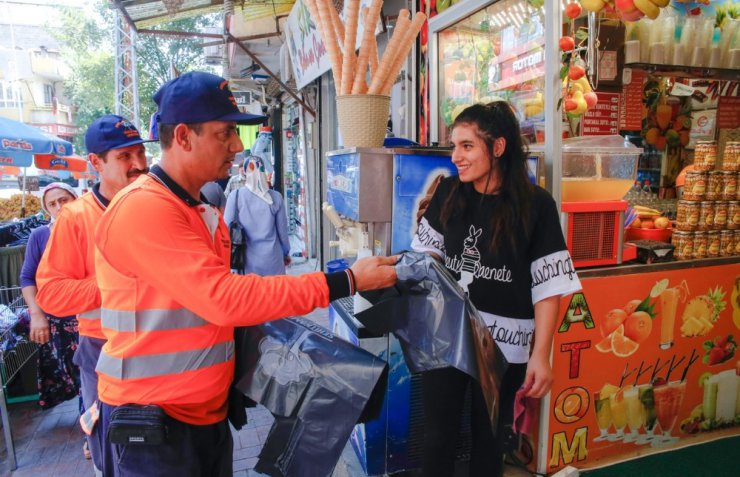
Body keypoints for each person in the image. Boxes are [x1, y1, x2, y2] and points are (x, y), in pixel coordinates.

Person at [92, 71, 397, 476]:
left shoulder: (197, 208)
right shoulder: (144, 208)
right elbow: (225, 299)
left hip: (201, 415)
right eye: (225, 134)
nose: (237, 147)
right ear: (183, 137)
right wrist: (347, 281)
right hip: (157, 423)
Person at [410, 102, 581, 476]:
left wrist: (541, 354)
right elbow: (426, 261)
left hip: (506, 345)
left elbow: (549, 286)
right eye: (454, 146)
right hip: (447, 337)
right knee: (438, 436)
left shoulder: (536, 206)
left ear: (498, 147)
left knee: (490, 441)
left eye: (467, 146)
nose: (456, 156)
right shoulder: (449, 193)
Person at [35, 114, 153, 472]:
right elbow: (52, 294)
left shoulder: (157, 203)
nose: (137, 165)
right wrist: (117, 284)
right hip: (103, 352)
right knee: (113, 449)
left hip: (159, 350)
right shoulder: (75, 218)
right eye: (124, 157)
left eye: (140, 154)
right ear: (96, 163)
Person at [20, 183, 81, 411]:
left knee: (92, 379)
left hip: (90, 316)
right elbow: (27, 277)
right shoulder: (40, 235)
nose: (59, 207)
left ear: (75, 198)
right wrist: (36, 315)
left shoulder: (90, 227)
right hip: (58, 321)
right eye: (52, 204)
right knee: (73, 376)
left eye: (64, 200)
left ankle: (91, 435)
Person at [224, 155, 291, 275]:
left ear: (244, 172)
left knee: (251, 293)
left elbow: (226, 228)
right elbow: (283, 232)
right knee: (275, 292)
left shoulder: (235, 196)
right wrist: (285, 253)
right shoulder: (275, 197)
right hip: (273, 261)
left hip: (245, 262)